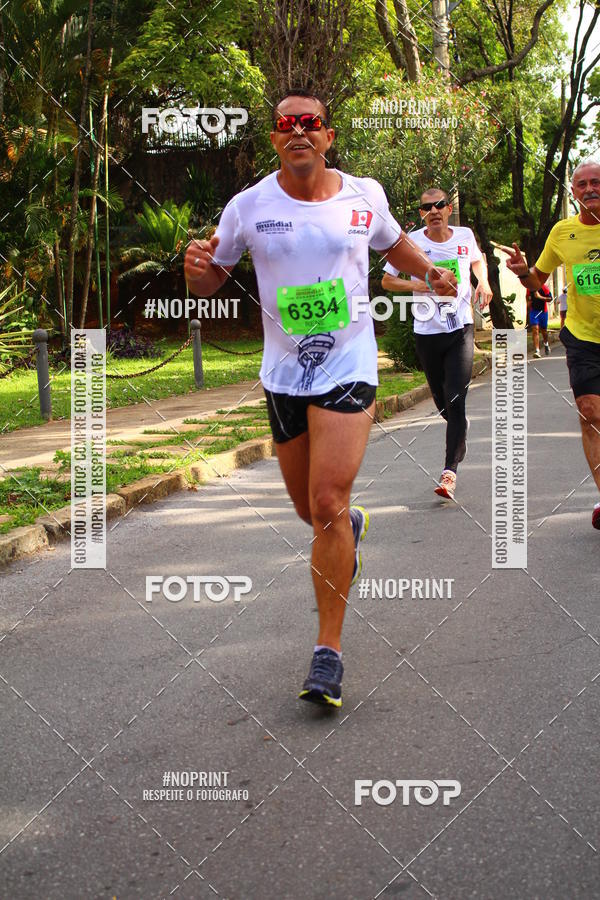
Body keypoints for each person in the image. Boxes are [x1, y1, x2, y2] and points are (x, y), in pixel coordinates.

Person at [184, 90, 457, 708]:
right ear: (275, 138)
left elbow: (394, 245)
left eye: (310, 123)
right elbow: (210, 279)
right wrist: (194, 268)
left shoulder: (365, 194)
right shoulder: (249, 205)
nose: (297, 131)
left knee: (329, 501)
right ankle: (348, 530)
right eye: (285, 124)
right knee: (313, 514)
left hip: (348, 363)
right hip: (283, 375)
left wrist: (430, 274)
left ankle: (327, 652)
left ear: (328, 136)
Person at [502, 158, 600, 530]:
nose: (589, 189)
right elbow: (535, 281)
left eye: (596, 182)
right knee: (591, 412)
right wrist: (524, 271)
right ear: (573, 192)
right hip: (583, 336)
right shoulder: (562, 232)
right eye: (582, 184)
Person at [381, 188, 492, 501]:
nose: (434, 211)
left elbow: (477, 261)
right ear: (421, 214)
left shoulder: (465, 235)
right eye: (427, 207)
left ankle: (449, 472)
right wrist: (416, 283)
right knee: (445, 405)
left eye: (439, 205)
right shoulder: (412, 242)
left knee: (455, 400)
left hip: (461, 329)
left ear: (449, 208)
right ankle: (458, 425)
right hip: (427, 332)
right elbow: (387, 281)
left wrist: (482, 282)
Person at [527, 282, 552, 357]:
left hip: (543, 312)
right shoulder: (529, 288)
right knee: (535, 329)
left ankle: (546, 344)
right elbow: (527, 297)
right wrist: (528, 304)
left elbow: (550, 299)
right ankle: (537, 351)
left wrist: (540, 297)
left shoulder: (544, 287)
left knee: (544, 331)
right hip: (533, 312)